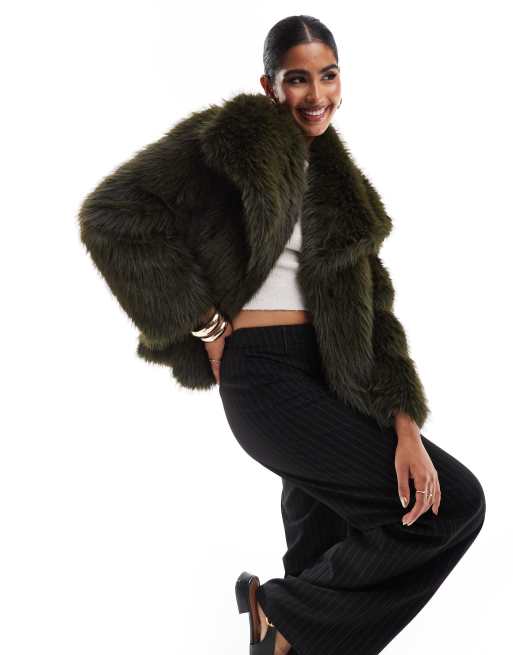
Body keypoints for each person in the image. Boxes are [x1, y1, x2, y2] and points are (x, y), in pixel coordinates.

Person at [78, 14, 486, 655]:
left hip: (337, 381)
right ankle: (278, 609)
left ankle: (281, 629)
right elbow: (112, 218)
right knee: (453, 505)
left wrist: (404, 422)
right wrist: (206, 324)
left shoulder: (343, 189)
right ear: (269, 85)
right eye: (298, 78)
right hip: (265, 378)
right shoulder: (226, 142)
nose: (316, 94)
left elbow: (376, 312)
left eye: (328, 75)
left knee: (325, 551)